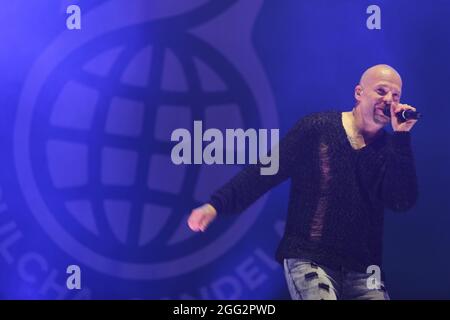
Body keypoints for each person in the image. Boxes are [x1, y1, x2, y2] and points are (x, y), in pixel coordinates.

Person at [187, 64, 419, 300]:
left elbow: (402, 201)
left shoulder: (391, 149)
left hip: (364, 270)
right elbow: (265, 171)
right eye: (381, 91)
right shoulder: (318, 128)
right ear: (359, 93)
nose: (389, 100)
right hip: (311, 258)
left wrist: (402, 137)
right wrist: (217, 204)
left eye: (396, 95)